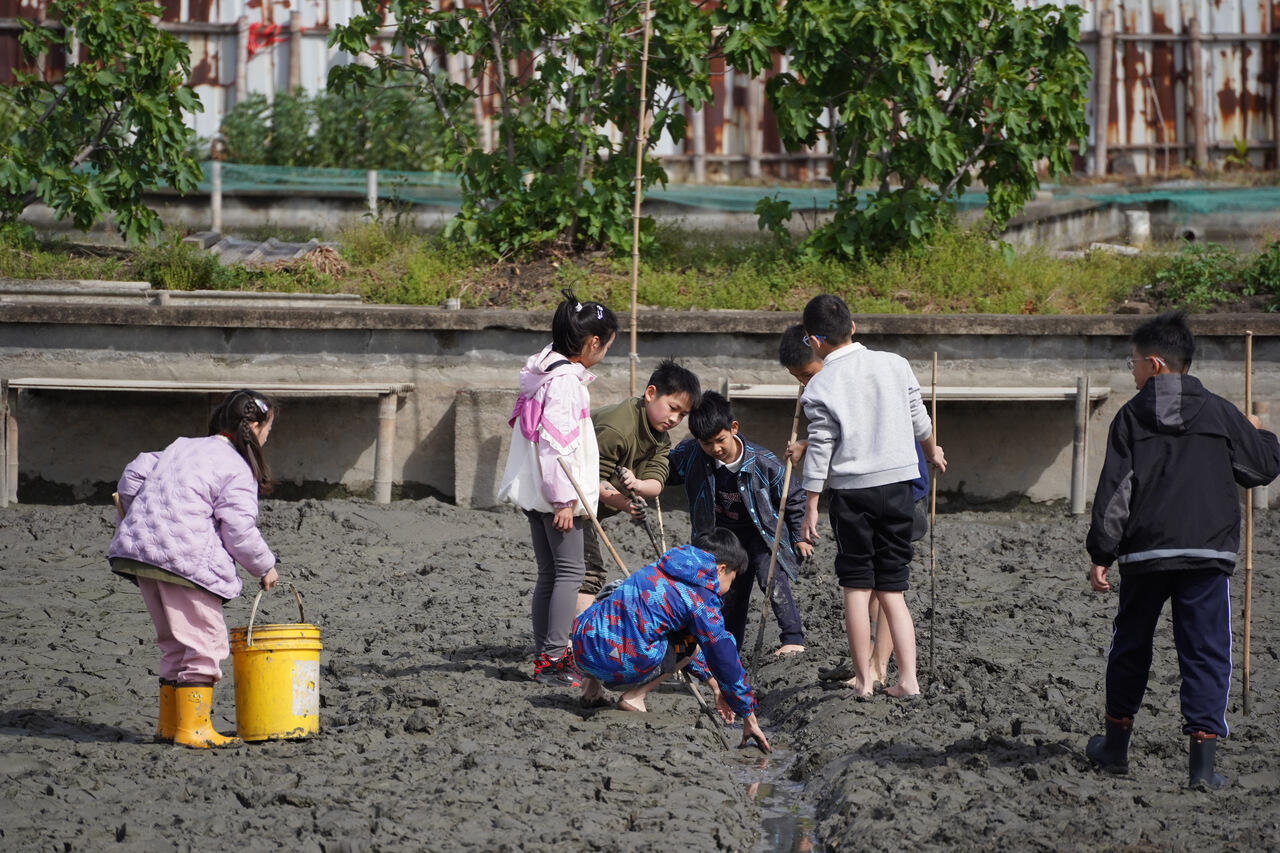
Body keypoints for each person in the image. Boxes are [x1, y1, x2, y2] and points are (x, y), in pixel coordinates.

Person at [1084, 312, 1280, 789]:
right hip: (1207, 555)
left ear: (1155, 364)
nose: (1131, 371)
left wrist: (1101, 553)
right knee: (1206, 652)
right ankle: (1202, 769)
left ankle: (1115, 749)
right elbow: (1261, 468)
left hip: (1145, 554)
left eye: (1133, 362)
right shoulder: (1221, 412)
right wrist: (1259, 431)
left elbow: (1115, 494)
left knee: (1131, 646)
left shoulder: (1130, 416)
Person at [109, 389, 280, 749]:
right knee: (205, 643)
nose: (267, 437)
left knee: (174, 644)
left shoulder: (182, 446)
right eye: (268, 430)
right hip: (187, 563)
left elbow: (134, 472)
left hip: (143, 556)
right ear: (253, 427)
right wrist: (265, 566)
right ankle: (194, 729)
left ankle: (170, 726)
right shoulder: (237, 468)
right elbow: (239, 530)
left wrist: (147, 518)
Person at [797, 296, 946, 699]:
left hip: (852, 493)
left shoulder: (820, 384)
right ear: (853, 327)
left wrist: (811, 504)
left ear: (815, 341)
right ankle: (908, 680)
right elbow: (919, 419)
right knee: (893, 589)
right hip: (899, 488)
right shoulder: (895, 364)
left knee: (857, 588)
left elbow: (821, 446)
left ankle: (864, 681)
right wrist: (932, 451)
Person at [498, 289, 618, 688]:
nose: (605, 354)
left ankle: (545, 657)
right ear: (592, 343)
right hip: (555, 496)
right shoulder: (565, 382)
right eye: (607, 347)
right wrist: (564, 500)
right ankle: (554, 657)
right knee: (570, 571)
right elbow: (557, 445)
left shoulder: (544, 366)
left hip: (535, 490)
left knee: (549, 572)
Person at [572, 529, 771, 752]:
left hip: (581, 647)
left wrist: (715, 687)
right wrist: (748, 714)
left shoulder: (664, 565)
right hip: (616, 662)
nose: (728, 588)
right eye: (731, 580)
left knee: (616, 595)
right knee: (690, 642)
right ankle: (635, 697)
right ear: (721, 569)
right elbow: (722, 658)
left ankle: (590, 688)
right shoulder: (702, 597)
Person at [667, 391, 810, 655]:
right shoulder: (693, 454)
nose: (715, 449)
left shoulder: (763, 462)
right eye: (707, 443)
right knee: (729, 594)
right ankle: (729, 653)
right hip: (722, 538)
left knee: (771, 577)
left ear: (733, 428)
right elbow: (666, 469)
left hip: (761, 534)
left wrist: (800, 536)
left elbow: (793, 496)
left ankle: (793, 639)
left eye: (720, 440)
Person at [576, 359, 702, 613]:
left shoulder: (661, 438)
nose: (675, 419)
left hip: (589, 509)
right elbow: (589, 482)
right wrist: (626, 504)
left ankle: (566, 631)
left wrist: (638, 484)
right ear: (651, 393)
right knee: (587, 573)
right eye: (672, 408)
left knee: (572, 572)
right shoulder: (616, 428)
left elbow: (656, 483)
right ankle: (578, 631)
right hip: (569, 503)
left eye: (682, 415)